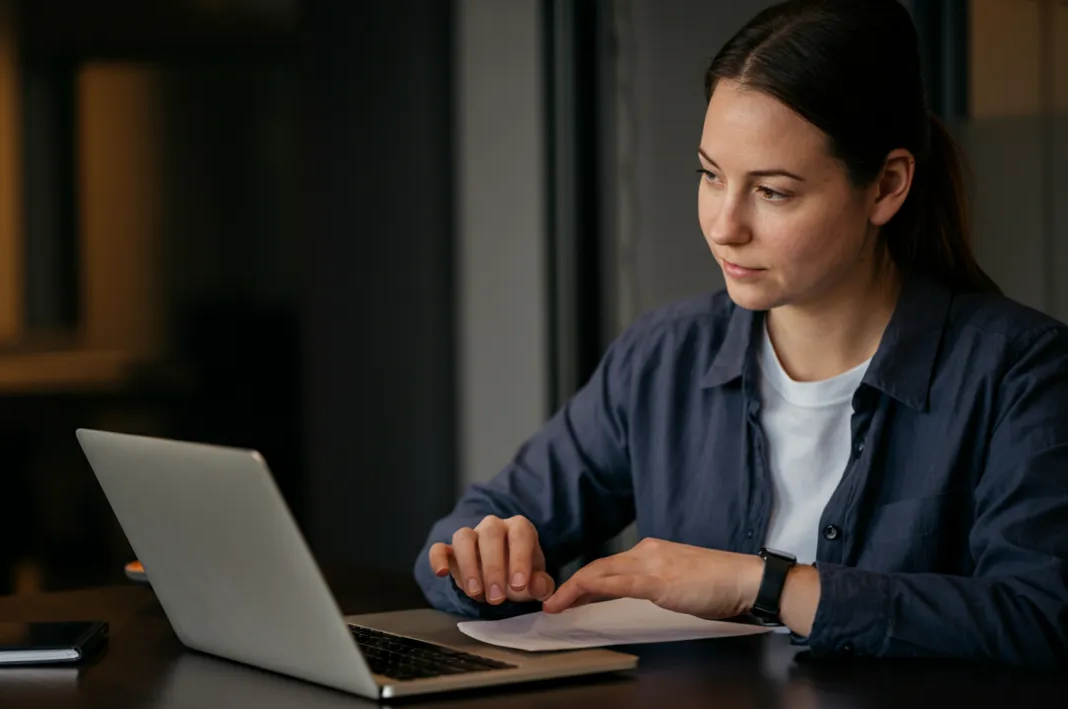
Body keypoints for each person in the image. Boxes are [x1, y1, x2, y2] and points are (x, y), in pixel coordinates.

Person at [415, 0, 1068, 667]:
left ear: (886, 186)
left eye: (773, 191)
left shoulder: (1021, 372)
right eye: (710, 174)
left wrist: (759, 585)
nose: (725, 225)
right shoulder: (665, 356)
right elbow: (464, 531)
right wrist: (483, 558)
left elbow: (1043, 616)